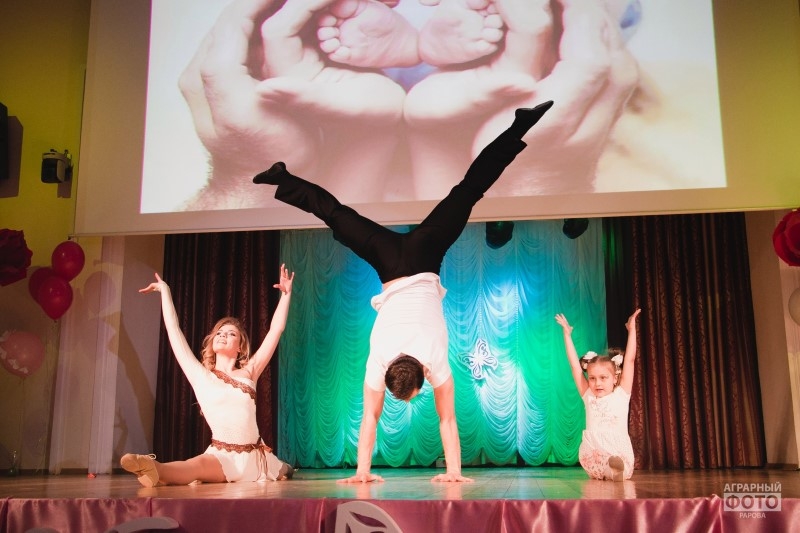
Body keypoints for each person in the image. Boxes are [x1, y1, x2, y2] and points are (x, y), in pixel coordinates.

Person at [253, 100, 553, 482]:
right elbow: (371, 418)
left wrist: (454, 473)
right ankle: (284, 178)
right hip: (389, 260)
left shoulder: (434, 362)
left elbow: (446, 420)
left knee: (468, 191)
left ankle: (519, 127)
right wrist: (361, 472)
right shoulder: (379, 361)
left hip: (426, 255)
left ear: (421, 374)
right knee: (337, 215)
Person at [120, 264, 296, 487]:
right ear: (212, 342)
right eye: (219, 333)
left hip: (257, 458)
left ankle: (287, 466)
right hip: (223, 457)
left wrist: (286, 296)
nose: (223, 336)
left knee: (287, 470)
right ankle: (153, 468)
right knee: (196, 465)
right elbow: (173, 330)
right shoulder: (201, 376)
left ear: (240, 347)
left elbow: (275, 330)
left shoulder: (250, 371)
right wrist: (165, 291)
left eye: (231, 334)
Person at [554, 308, 641, 481]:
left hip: (618, 448)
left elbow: (630, 360)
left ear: (614, 378)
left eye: (603, 378)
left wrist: (632, 330)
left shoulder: (621, 394)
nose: (597, 383)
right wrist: (567, 335)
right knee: (602, 465)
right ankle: (609, 469)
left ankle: (615, 470)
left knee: (620, 466)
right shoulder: (589, 396)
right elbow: (575, 367)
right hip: (595, 451)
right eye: (592, 378)